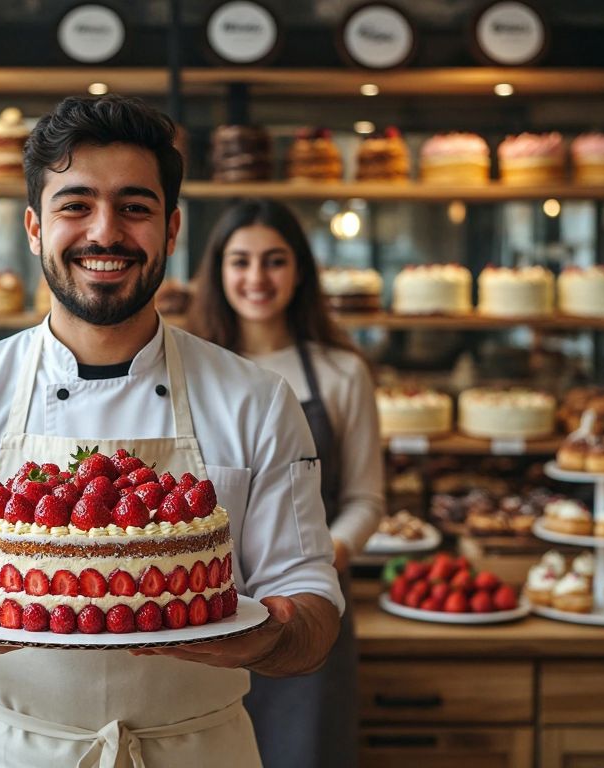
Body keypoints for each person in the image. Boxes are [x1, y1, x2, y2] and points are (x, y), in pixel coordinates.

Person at [0, 96, 343, 768]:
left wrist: (260, 641)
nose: (106, 233)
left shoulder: (257, 400)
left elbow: (313, 616)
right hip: (13, 752)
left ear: (172, 229)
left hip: (202, 749)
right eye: (76, 205)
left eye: (135, 208)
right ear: (34, 226)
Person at [190, 199, 385, 768]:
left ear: (299, 270)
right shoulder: (189, 373)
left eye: (274, 261)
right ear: (218, 271)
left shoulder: (342, 371)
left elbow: (366, 500)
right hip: (205, 612)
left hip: (304, 615)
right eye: (240, 261)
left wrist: (316, 565)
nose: (256, 278)